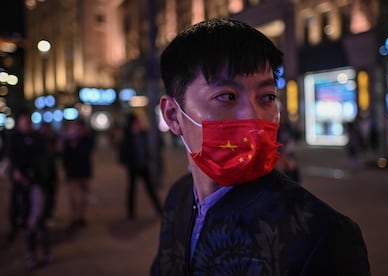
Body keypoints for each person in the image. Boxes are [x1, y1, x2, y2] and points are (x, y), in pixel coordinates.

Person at [151, 18, 370, 275]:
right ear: (173, 115)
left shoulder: (322, 233)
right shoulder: (179, 198)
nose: (252, 116)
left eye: (266, 98)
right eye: (226, 97)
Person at [5, 111, 52, 268]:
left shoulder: (38, 140)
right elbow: (11, 160)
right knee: (26, 222)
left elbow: (45, 164)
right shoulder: (13, 140)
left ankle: (44, 251)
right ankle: (31, 254)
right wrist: (16, 172)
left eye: (28, 121)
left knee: (36, 221)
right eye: (23, 122)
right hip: (21, 188)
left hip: (36, 185)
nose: (26, 124)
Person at [118, 113, 162, 220]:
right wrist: (128, 162)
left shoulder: (143, 134)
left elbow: (151, 147)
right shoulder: (127, 137)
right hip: (133, 167)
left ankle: (160, 210)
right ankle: (131, 213)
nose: (138, 125)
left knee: (150, 189)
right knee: (132, 189)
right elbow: (123, 154)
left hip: (144, 166)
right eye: (136, 123)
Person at [62, 119, 94, 230]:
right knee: (73, 197)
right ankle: (74, 217)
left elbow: (87, 152)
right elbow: (65, 157)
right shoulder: (68, 140)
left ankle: (81, 216)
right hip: (72, 173)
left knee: (83, 197)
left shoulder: (86, 139)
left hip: (84, 172)